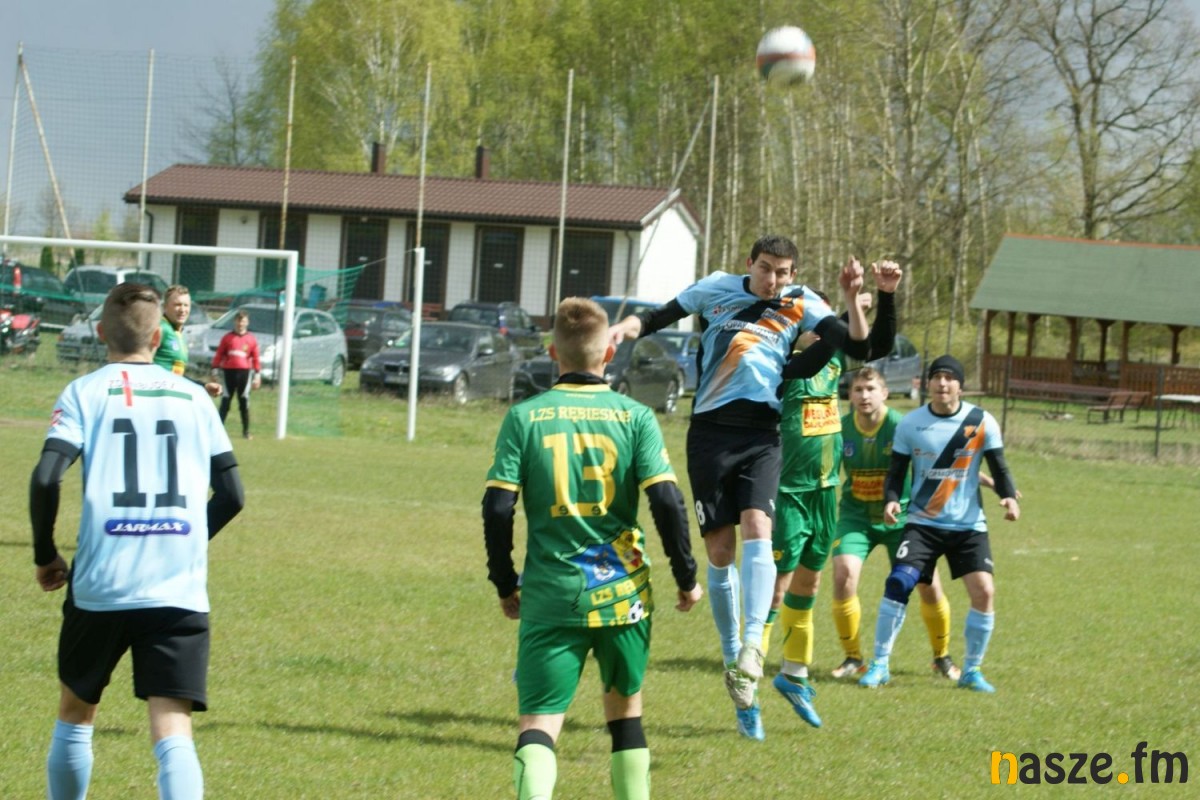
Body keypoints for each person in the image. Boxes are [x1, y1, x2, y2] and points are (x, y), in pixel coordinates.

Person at [608, 234, 865, 741]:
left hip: (762, 436)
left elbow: (859, 346)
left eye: (783, 272)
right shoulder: (716, 289)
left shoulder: (801, 303)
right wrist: (623, 328)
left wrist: (854, 297)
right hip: (709, 435)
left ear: (793, 274)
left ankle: (752, 649)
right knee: (721, 552)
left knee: (758, 528)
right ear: (750, 264)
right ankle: (735, 665)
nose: (774, 280)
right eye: (766, 268)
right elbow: (657, 317)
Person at [30, 282, 245, 800]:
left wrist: (45, 554)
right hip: (176, 587)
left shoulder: (83, 392)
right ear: (158, 337)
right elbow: (233, 495)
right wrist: (186, 538)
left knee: (75, 714)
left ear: (100, 332)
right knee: (173, 729)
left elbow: (46, 478)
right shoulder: (195, 398)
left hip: (101, 583)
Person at [483, 297, 702, 800]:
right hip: (622, 595)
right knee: (626, 718)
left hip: (550, 593)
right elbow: (667, 501)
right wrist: (686, 576)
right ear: (609, 354)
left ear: (552, 353)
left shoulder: (525, 417)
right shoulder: (635, 416)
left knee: (539, 724)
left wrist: (505, 582)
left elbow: (497, 508)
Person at [765, 262, 900, 729]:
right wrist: (846, 309)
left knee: (810, 584)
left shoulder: (834, 358)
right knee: (777, 585)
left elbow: (874, 342)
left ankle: (793, 675)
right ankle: (747, 663)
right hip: (788, 491)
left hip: (826, 491)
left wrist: (874, 297)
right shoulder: (778, 362)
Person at [859, 355, 1020, 693]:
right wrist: (891, 499)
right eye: (936, 377)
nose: (942, 383)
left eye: (949, 378)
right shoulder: (911, 424)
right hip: (922, 524)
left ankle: (972, 671)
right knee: (898, 582)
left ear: (960, 385)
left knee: (984, 592)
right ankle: (879, 664)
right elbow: (896, 472)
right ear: (928, 383)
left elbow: (999, 466)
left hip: (968, 526)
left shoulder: (981, 421)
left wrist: (1008, 496)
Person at [828, 366, 961, 685]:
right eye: (858, 390)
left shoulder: (904, 426)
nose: (864, 395)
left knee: (928, 584)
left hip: (902, 519)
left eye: (871, 389)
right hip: (856, 516)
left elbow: (933, 465)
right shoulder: (840, 429)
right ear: (850, 395)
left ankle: (942, 657)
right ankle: (853, 658)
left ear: (885, 393)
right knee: (844, 574)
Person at [155, 284, 221, 398]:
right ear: (165, 306)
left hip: (170, 396)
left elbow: (176, 377)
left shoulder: (177, 333)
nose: (182, 310)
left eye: (186, 305)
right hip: (158, 397)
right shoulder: (161, 329)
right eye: (177, 305)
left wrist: (203, 386)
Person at [211, 310, 262, 440]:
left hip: (244, 373)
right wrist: (215, 370)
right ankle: (218, 431)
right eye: (239, 321)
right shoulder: (227, 338)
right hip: (228, 372)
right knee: (225, 401)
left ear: (247, 322)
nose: (241, 324)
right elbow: (219, 354)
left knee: (244, 401)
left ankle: (246, 431)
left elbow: (256, 358)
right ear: (235, 322)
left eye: (243, 321)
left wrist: (257, 375)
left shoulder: (251, 339)